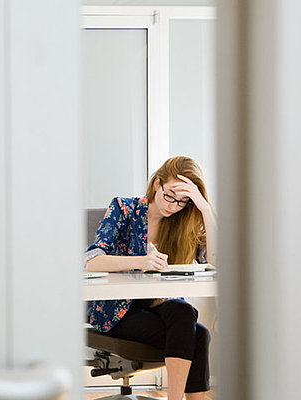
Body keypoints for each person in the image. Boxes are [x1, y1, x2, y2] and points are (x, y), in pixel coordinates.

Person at [85, 156, 217, 400]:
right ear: (157, 183)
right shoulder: (124, 209)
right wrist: (140, 262)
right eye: (170, 196)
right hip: (118, 309)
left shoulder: (182, 222)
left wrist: (204, 207)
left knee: (184, 314)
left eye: (183, 201)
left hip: (160, 305)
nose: (174, 205)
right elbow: (91, 262)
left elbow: (217, 261)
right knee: (198, 335)